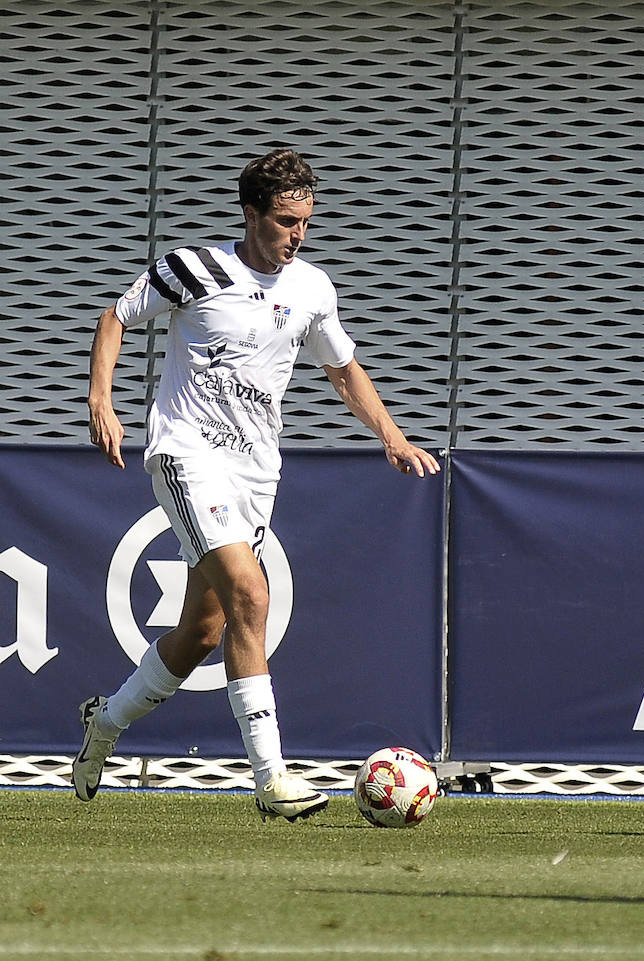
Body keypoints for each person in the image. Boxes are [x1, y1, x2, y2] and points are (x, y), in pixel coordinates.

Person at [80, 147, 440, 822]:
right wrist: (103, 400)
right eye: (283, 221)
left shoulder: (312, 288)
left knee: (203, 632)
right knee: (252, 592)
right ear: (251, 215)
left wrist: (392, 436)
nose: (296, 234)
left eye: (305, 221)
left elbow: (344, 369)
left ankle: (105, 722)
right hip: (185, 455)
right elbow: (115, 318)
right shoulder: (193, 268)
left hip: (254, 471)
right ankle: (272, 778)